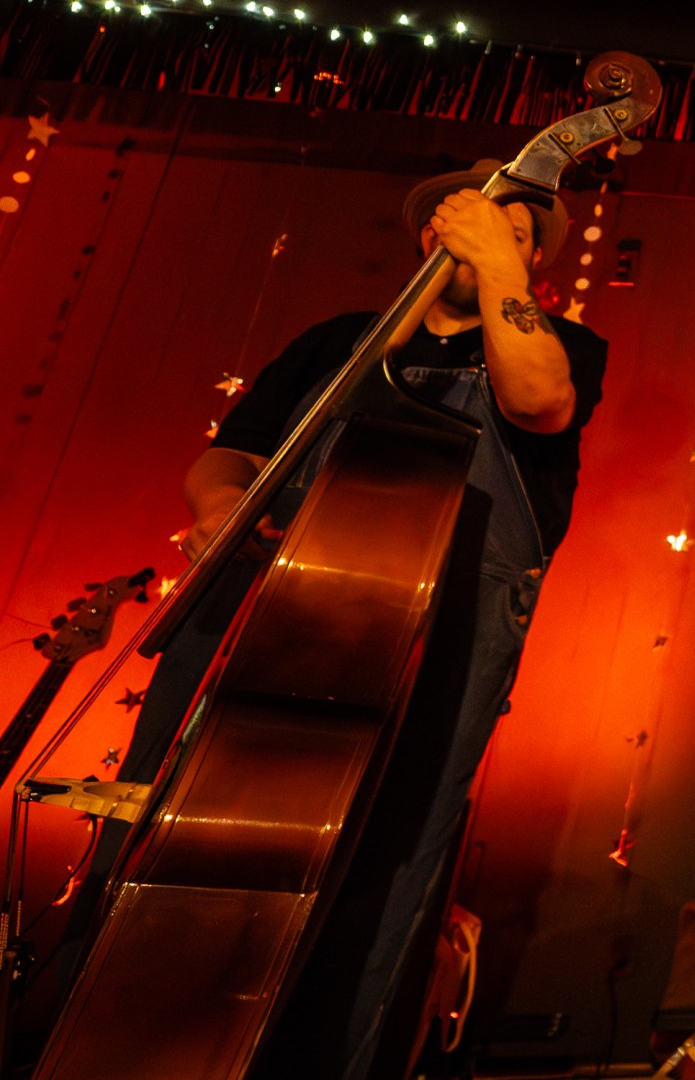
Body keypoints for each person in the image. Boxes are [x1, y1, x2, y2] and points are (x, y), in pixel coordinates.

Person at [77, 160, 607, 1080]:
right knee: (165, 820)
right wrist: (219, 512)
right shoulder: (340, 340)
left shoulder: (551, 344)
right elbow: (231, 456)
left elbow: (537, 402)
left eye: (520, 234)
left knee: (382, 856)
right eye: (480, 222)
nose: (498, 239)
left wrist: (502, 277)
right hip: (269, 605)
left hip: (435, 626)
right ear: (427, 233)